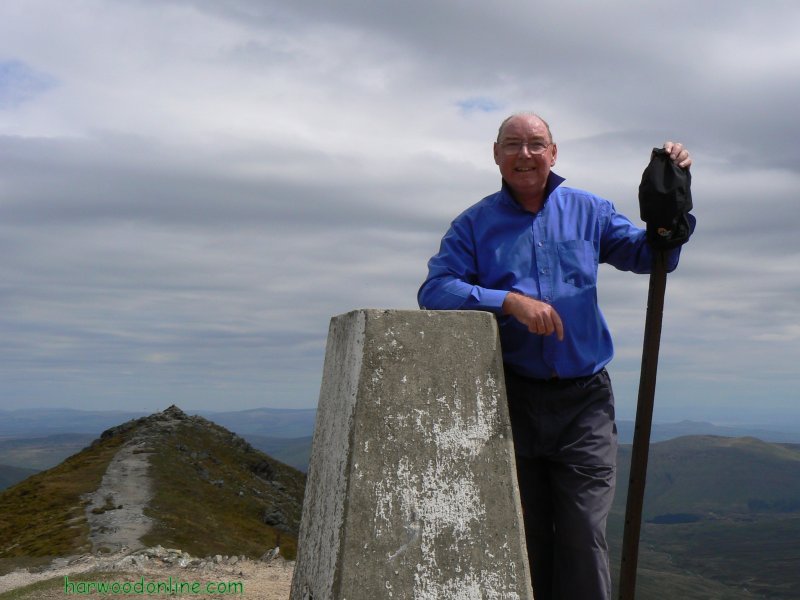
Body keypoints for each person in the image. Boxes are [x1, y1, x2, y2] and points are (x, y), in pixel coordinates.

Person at [417, 112, 694, 600]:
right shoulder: (474, 224)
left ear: (553, 152)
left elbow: (652, 255)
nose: (524, 155)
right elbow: (435, 289)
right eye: (513, 145)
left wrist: (670, 207)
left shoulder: (588, 210)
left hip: (583, 402)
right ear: (496, 153)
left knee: (583, 532)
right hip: (511, 399)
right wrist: (508, 301)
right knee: (524, 534)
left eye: (535, 144)